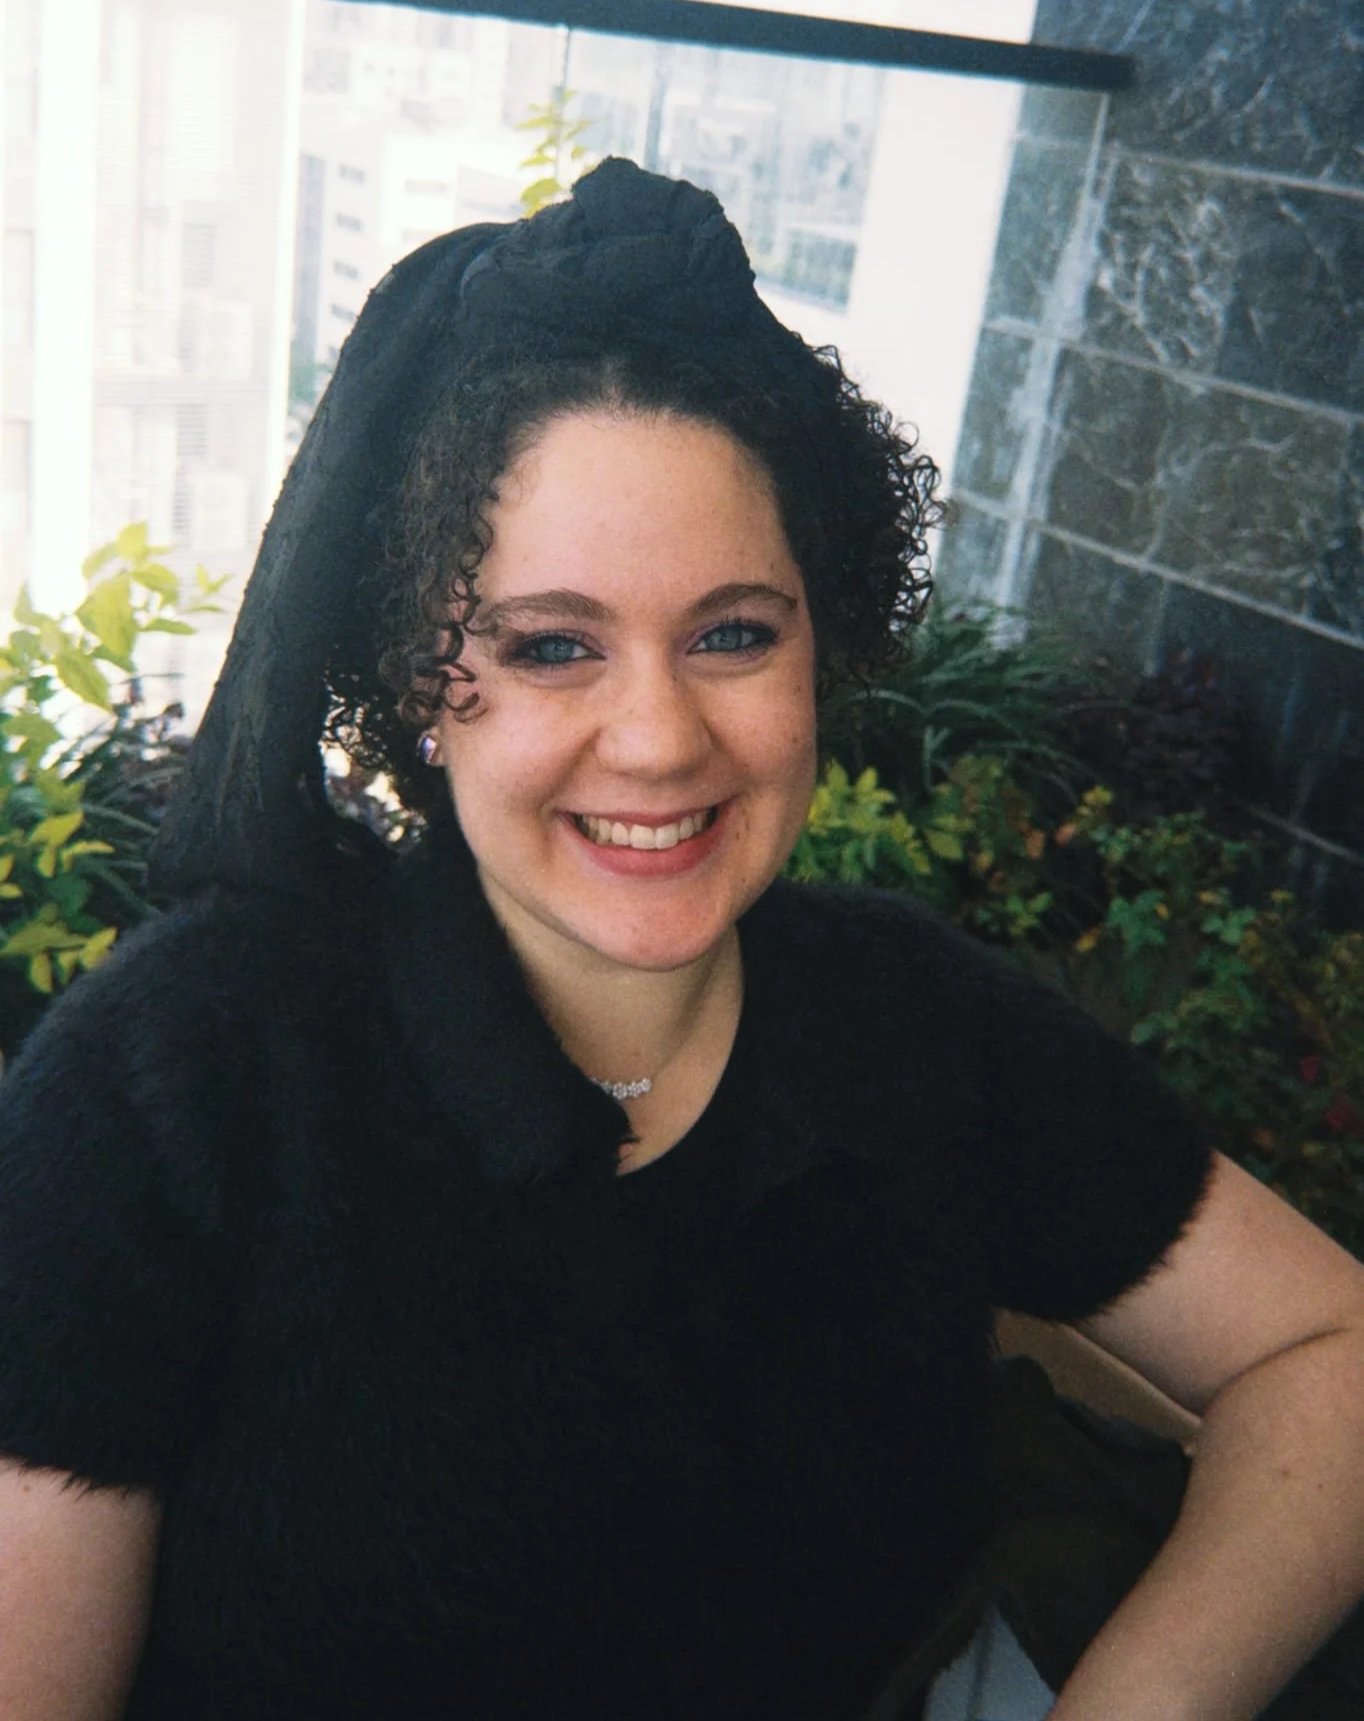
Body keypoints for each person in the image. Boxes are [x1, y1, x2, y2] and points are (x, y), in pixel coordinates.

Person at [0, 158, 1361, 1721]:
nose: (656, 738)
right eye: (552, 645)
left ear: (820, 642)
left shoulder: (912, 1026)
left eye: (731, 633)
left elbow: (1330, 1345)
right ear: (418, 688)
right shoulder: (180, 1080)